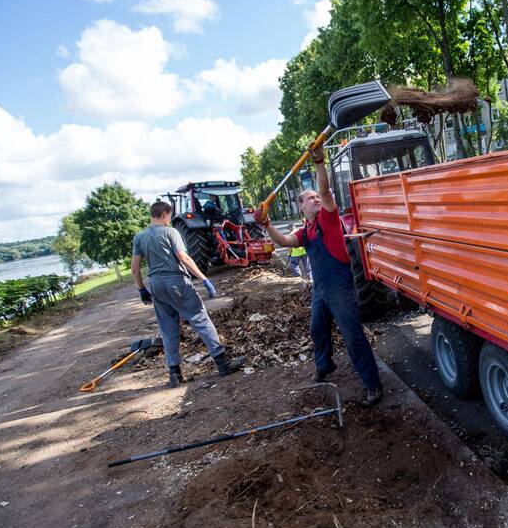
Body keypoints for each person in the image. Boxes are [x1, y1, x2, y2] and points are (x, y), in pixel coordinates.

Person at [254, 144, 382, 406]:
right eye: (309, 198)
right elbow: (284, 240)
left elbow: (324, 190)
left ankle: (372, 385)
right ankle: (325, 365)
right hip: (321, 288)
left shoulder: (329, 218)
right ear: (301, 206)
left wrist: (319, 162)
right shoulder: (305, 231)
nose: (315, 199)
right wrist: (267, 225)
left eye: (315, 197)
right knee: (317, 329)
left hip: (339, 287)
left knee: (352, 335)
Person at [131, 201, 245, 387]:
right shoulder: (171, 232)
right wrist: (204, 279)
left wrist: (142, 289)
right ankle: (222, 363)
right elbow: (183, 257)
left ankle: (174, 374)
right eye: (170, 215)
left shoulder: (140, 237)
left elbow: (134, 268)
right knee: (200, 319)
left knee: (168, 329)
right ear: (166, 213)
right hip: (176, 282)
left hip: (157, 285)